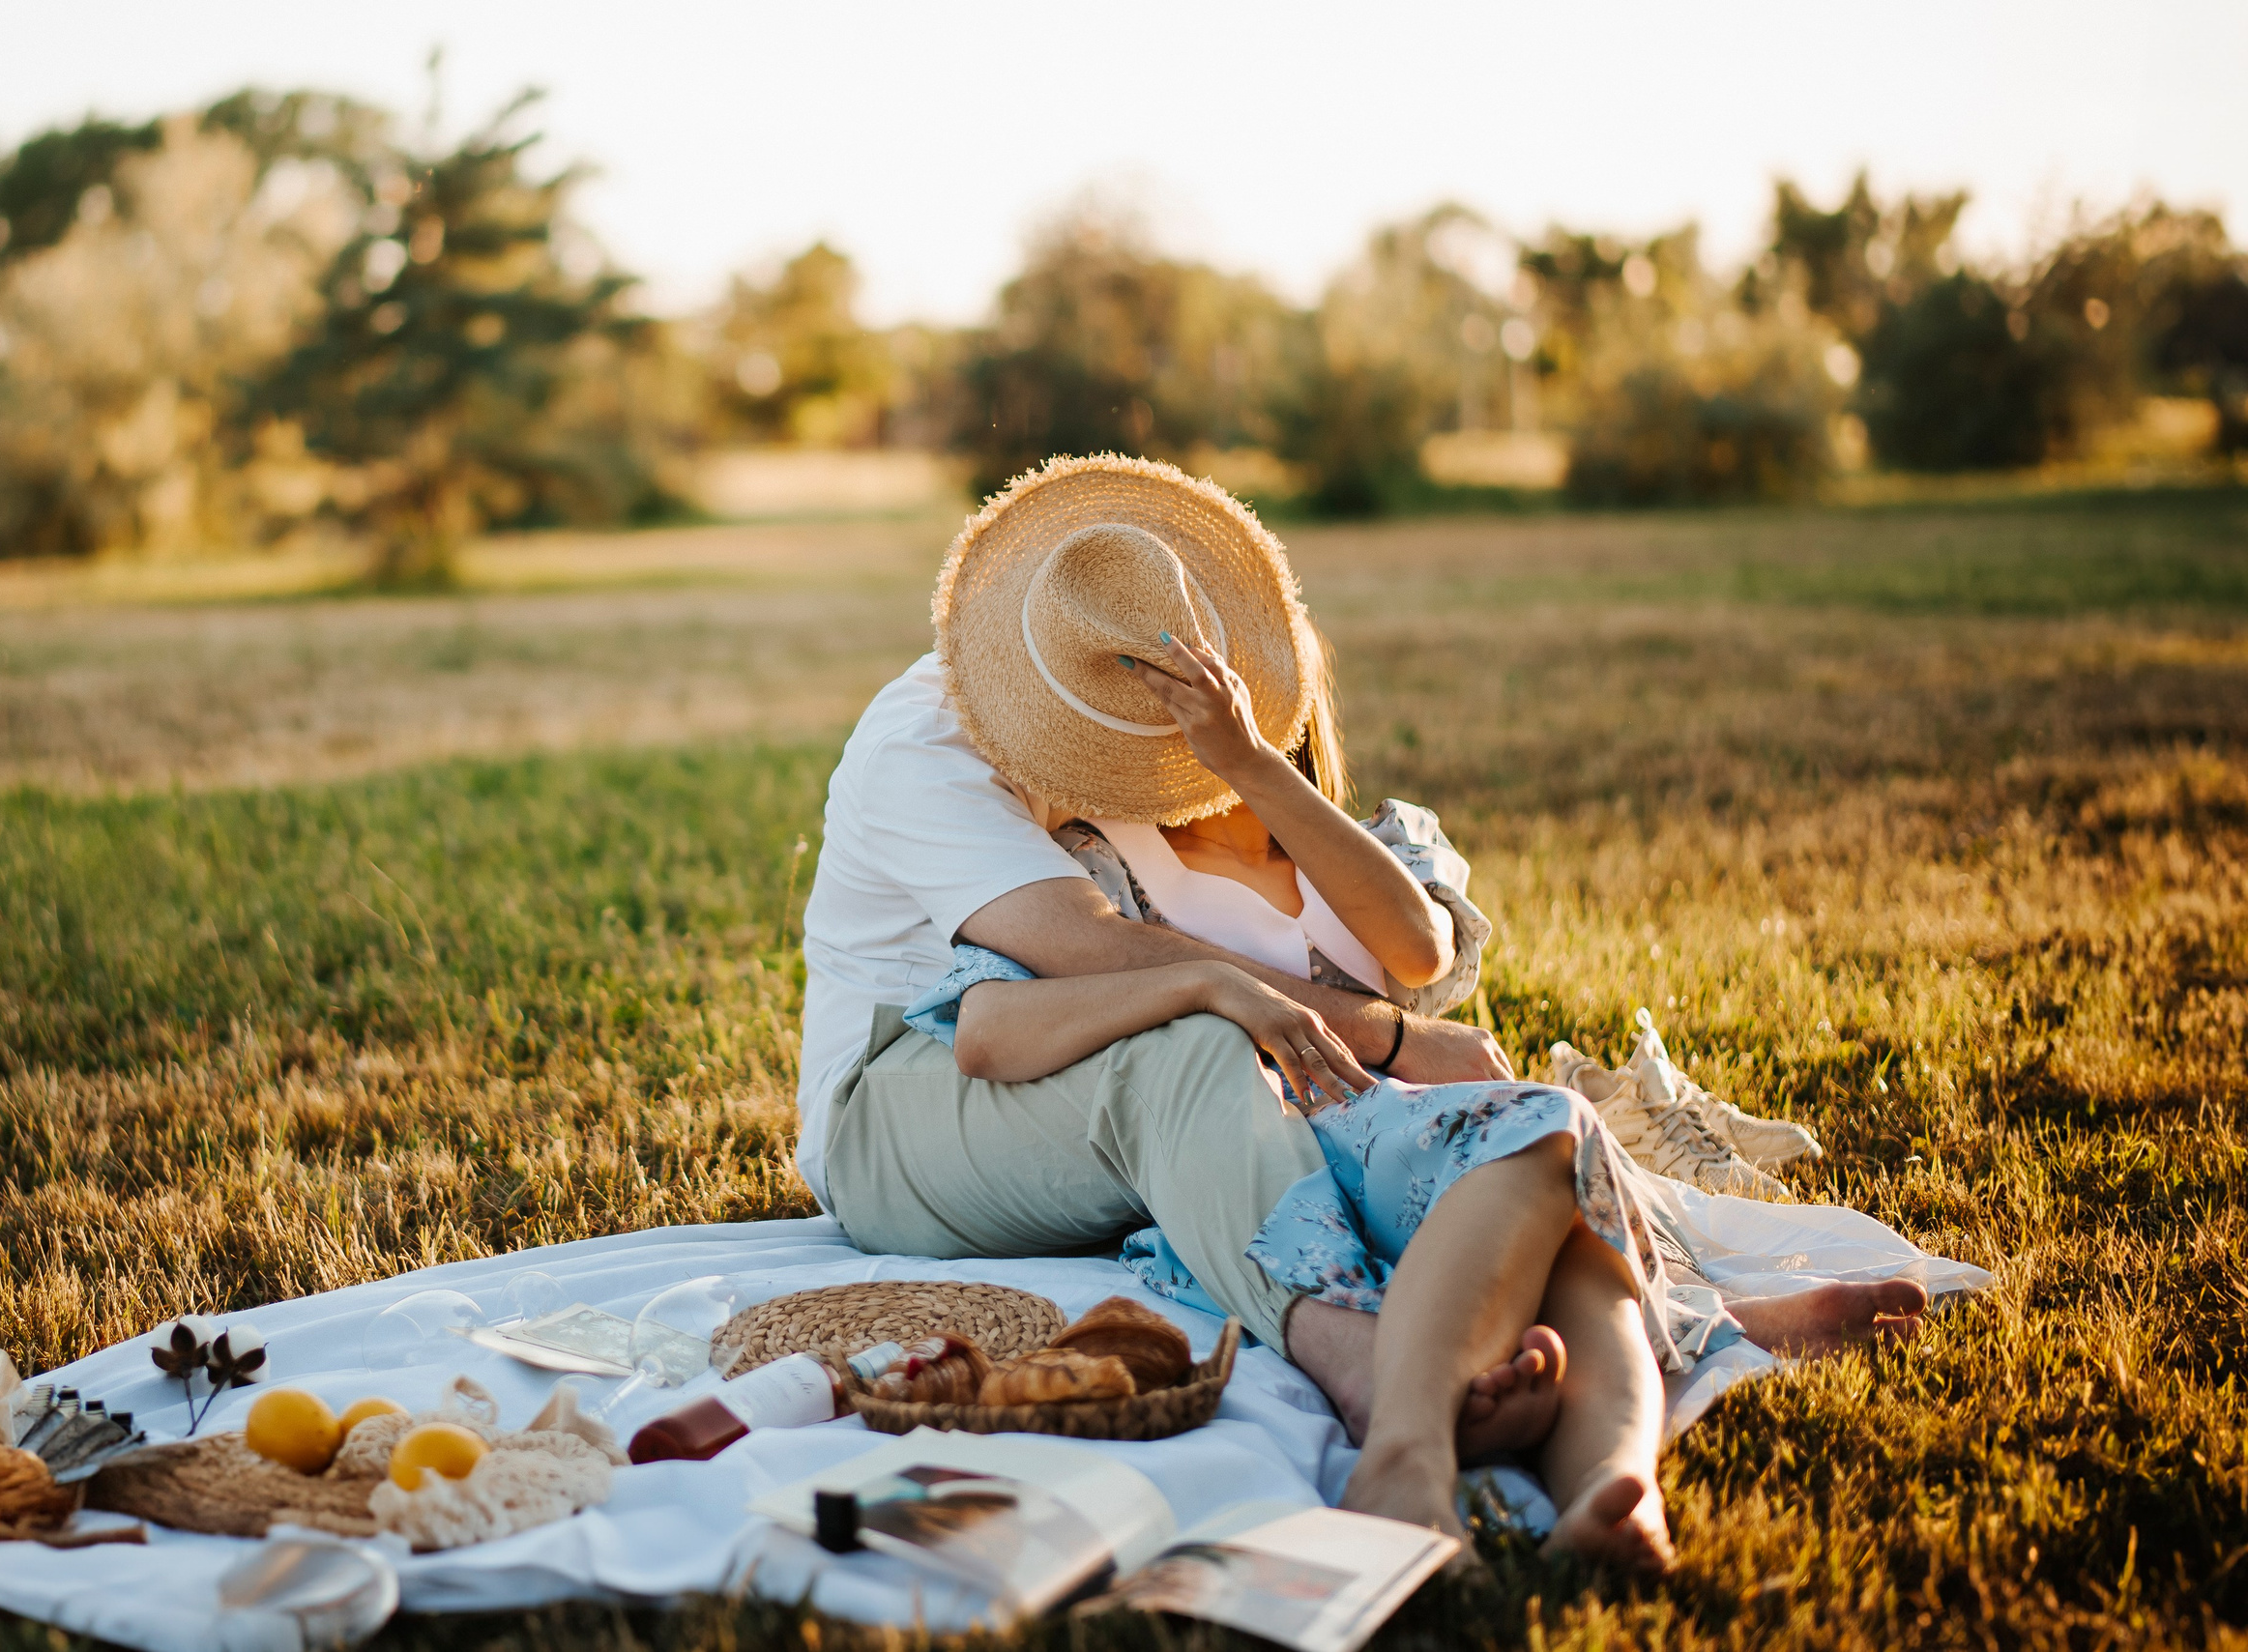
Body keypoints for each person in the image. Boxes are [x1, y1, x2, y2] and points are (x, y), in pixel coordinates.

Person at [798, 456, 1923, 1566]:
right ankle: (1391, 1391)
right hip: (908, 1101)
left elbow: (1405, 945)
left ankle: (1616, 1471)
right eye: (1108, 726)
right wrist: (1360, 1029)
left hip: (1237, 1093)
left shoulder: (1139, 782)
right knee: (1194, 1045)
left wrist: (1255, 806)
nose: (1134, 746)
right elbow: (1068, 973)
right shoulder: (943, 755)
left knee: (1542, 1134)